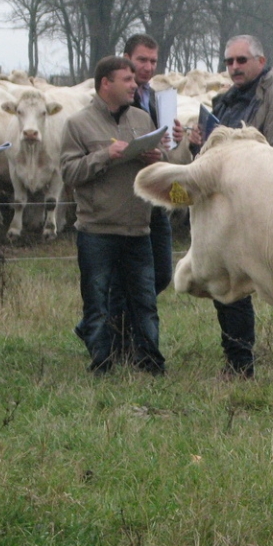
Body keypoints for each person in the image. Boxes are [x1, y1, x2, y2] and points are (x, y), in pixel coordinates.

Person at [189, 34, 273, 379]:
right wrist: (199, 147)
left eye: (241, 61)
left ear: (261, 61)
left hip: (266, 213)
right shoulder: (225, 101)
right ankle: (238, 360)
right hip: (228, 211)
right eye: (229, 62)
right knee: (228, 286)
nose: (234, 68)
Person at [60, 56, 168, 375]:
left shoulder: (142, 119)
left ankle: (150, 362)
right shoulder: (77, 124)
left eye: (134, 80)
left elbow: (160, 168)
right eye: (127, 80)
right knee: (97, 301)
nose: (135, 85)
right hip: (97, 230)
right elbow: (69, 172)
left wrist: (155, 157)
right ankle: (102, 362)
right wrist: (105, 155)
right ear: (105, 84)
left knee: (145, 302)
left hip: (138, 229)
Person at [107, 33, 187, 357]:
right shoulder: (114, 99)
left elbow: (167, 147)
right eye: (142, 60)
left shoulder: (157, 99)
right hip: (126, 198)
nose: (148, 67)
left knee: (162, 273)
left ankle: (106, 324)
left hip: (156, 195)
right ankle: (116, 335)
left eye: (153, 61)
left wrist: (179, 139)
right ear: (126, 57)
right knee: (125, 275)